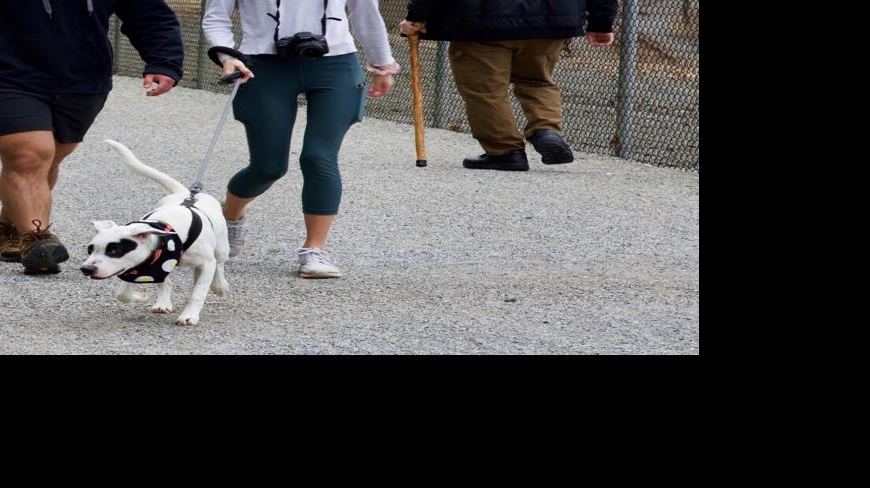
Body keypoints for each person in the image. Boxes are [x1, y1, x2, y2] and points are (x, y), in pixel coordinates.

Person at [0, 1, 185, 274]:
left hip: (84, 80)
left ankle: (8, 226)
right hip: (3, 74)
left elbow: (149, 14)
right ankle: (36, 239)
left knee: (49, 158)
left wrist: (163, 60)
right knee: (29, 155)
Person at [203, 0, 399, 279]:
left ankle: (314, 250)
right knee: (268, 166)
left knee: (319, 157)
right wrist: (227, 56)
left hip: (335, 64)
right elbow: (215, 17)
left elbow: (365, 12)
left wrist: (382, 65)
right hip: (263, 65)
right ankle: (230, 215)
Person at [400, 1, 617, 171]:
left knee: (484, 89)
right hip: (551, 19)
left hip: (480, 21)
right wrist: (601, 22)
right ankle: (546, 129)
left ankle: (505, 151)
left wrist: (417, 16)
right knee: (537, 79)